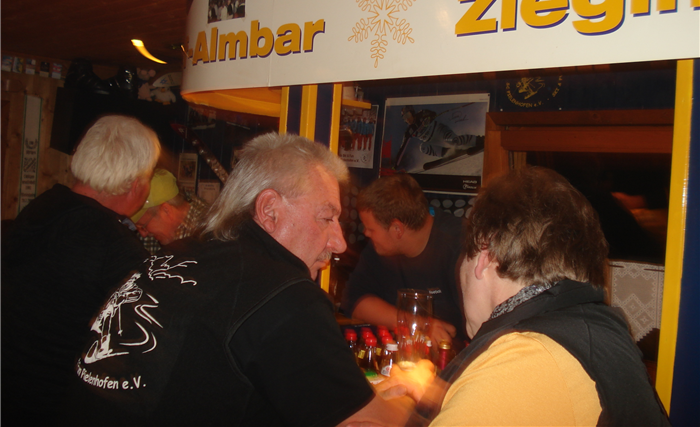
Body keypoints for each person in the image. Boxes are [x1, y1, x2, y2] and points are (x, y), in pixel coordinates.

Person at [69, 132, 410, 427]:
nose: (339, 243)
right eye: (326, 218)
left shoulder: (178, 254)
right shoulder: (284, 295)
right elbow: (371, 422)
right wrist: (415, 391)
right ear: (270, 210)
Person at [377, 166, 671, 427]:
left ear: (484, 256)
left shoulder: (525, 360)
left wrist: (394, 409)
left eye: (465, 256)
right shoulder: (586, 329)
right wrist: (432, 392)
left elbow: (512, 387)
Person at [0, 114, 160, 424]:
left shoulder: (44, 206)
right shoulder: (113, 243)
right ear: (135, 184)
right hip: (53, 403)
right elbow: (150, 337)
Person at [342, 174, 467, 349]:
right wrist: (418, 324)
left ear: (397, 229)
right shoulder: (381, 247)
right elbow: (354, 300)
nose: (365, 233)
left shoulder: (463, 247)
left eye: (371, 229)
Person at [132, 168, 209, 254]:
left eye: (143, 227)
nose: (143, 234)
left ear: (166, 210)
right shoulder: (152, 235)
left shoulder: (207, 232)